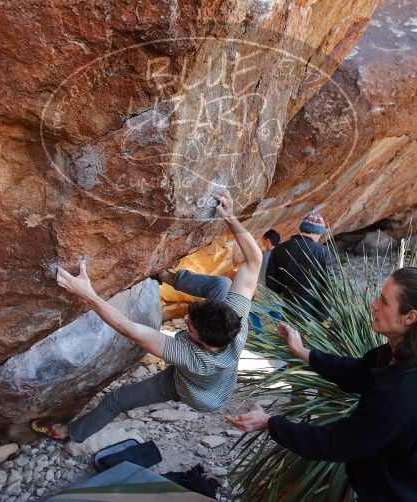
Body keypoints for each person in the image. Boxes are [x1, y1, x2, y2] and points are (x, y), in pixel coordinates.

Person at [31, 188, 261, 442]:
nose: (184, 322)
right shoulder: (234, 319)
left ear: (204, 341)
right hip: (220, 379)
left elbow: (130, 329)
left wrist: (87, 293)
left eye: (190, 327)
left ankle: (70, 433)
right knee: (223, 287)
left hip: (197, 392)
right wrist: (230, 216)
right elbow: (253, 262)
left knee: (118, 399)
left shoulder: (190, 357)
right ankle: (164, 275)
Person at [226, 267, 417, 501]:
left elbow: (335, 444)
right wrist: (302, 351)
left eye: (384, 301)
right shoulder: (409, 352)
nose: (374, 304)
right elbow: (358, 372)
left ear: (410, 317)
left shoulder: (399, 393)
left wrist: (271, 423)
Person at [265, 212, 333, 318]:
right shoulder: (323, 252)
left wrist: (281, 303)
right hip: (312, 314)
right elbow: (329, 287)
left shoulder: (279, 249)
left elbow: (271, 283)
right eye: (320, 234)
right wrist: (322, 316)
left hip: (287, 310)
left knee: (289, 335)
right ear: (315, 232)